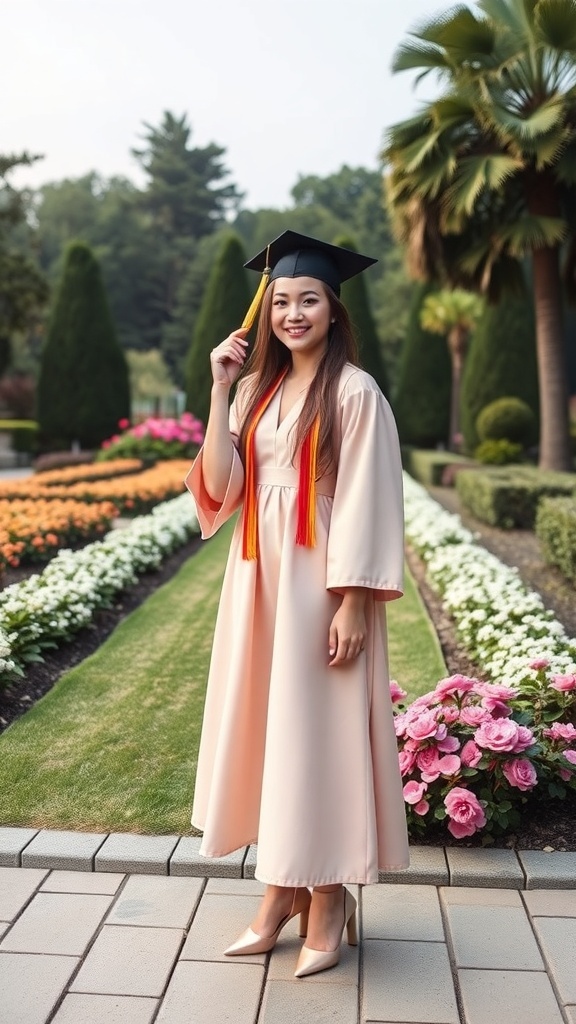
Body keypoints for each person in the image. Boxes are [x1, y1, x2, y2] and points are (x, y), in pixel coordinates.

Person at [185, 230, 409, 978]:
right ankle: (279, 889)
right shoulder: (255, 391)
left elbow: (368, 500)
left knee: (319, 735)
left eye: (307, 299)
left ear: (333, 308)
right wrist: (219, 389)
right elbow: (220, 486)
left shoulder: (354, 392)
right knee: (273, 732)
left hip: (320, 585)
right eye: (280, 300)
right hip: (257, 580)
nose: (292, 312)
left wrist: (352, 604)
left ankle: (327, 897)